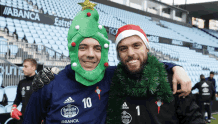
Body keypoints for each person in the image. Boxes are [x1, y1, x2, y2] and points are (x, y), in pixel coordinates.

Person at [23, 1, 192, 124]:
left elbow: (140, 64)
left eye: (97, 48)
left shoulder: (111, 76)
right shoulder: (48, 83)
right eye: (83, 47)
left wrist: (176, 68)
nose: (91, 54)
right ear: (73, 50)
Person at [105, 24, 205, 124]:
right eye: (123, 48)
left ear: (147, 48)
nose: (130, 53)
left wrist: (176, 67)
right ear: (118, 54)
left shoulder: (172, 80)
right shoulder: (111, 80)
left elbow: (194, 119)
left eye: (136, 46)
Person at [11, 58, 37, 124]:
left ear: (33, 67)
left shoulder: (42, 82)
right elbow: (18, 99)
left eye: (26, 66)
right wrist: (13, 108)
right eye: (23, 66)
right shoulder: (21, 83)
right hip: (24, 118)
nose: (23, 69)